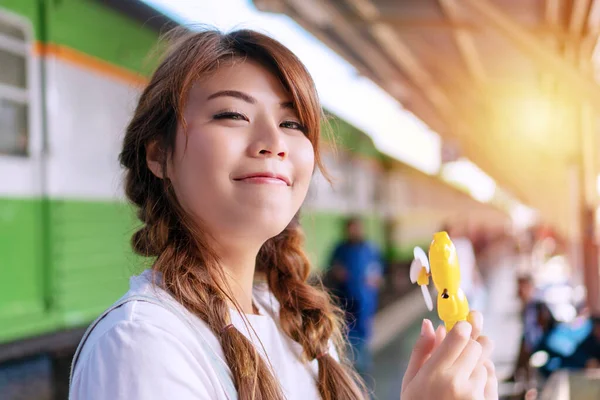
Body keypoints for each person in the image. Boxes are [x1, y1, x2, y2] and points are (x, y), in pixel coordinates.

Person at [68, 27, 497, 400]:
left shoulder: (296, 327)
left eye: (292, 124)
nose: (273, 141)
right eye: (232, 114)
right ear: (159, 155)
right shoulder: (142, 345)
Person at [328, 217, 383, 378]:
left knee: (364, 336)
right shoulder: (340, 249)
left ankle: (364, 371)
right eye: (350, 228)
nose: (353, 232)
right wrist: (338, 272)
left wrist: (374, 280)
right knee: (348, 336)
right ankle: (352, 371)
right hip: (345, 300)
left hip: (366, 301)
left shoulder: (370, 249)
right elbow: (332, 268)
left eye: (356, 228)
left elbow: (379, 272)